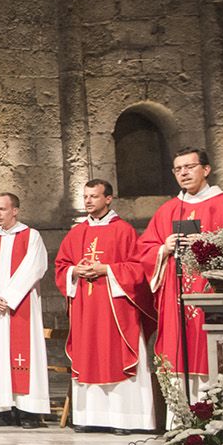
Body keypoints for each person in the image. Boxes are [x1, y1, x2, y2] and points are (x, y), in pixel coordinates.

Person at [138, 147, 223, 384]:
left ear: (206, 169)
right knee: (178, 350)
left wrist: (211, 246)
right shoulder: (167, 210)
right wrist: (164, 248)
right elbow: (144, 250)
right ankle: (180, 416)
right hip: (175, 291)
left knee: (211, 350)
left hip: (211, 290)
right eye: (178, 169)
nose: (184, 173)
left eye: (190, 167)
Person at [57, 180, 156, 432]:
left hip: (115, 308)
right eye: (86, 196)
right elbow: (61, 266)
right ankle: (90, 418)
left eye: (94, 196)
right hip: (86, 309)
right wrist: (73, 271)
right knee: (88, 354)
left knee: (115, 355)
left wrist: (106, 269)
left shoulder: (124, 231)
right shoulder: (76, 233)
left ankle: (124, 419)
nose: (88, 201)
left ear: (108, 199)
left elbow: (138, 269)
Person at [0, 192, 50, 428]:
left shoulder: (31, 236)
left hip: (22, 306)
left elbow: (35, 268)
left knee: (24, 355)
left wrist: (8, 298)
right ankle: (3, 410)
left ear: (15, 210)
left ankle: (29, 412)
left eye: (2, 209)